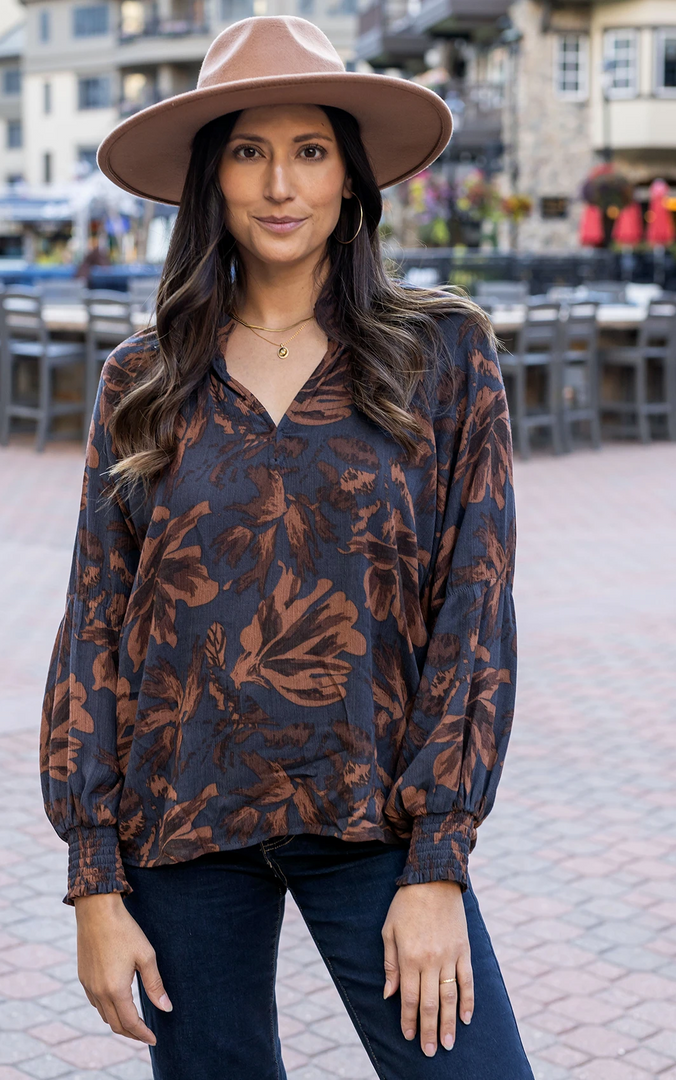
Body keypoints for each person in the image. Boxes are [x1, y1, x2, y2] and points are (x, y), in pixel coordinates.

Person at [40, 16, 532, 1080]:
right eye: (250, 153)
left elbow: (475, 607)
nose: (280, 184)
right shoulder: (144, 378)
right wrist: (94, 881)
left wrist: (438, 863)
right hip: (183, 831)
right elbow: (95, 620)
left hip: (376, 822)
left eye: (310, 151)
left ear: (350, 179)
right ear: (211, 181)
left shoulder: (440, 356)